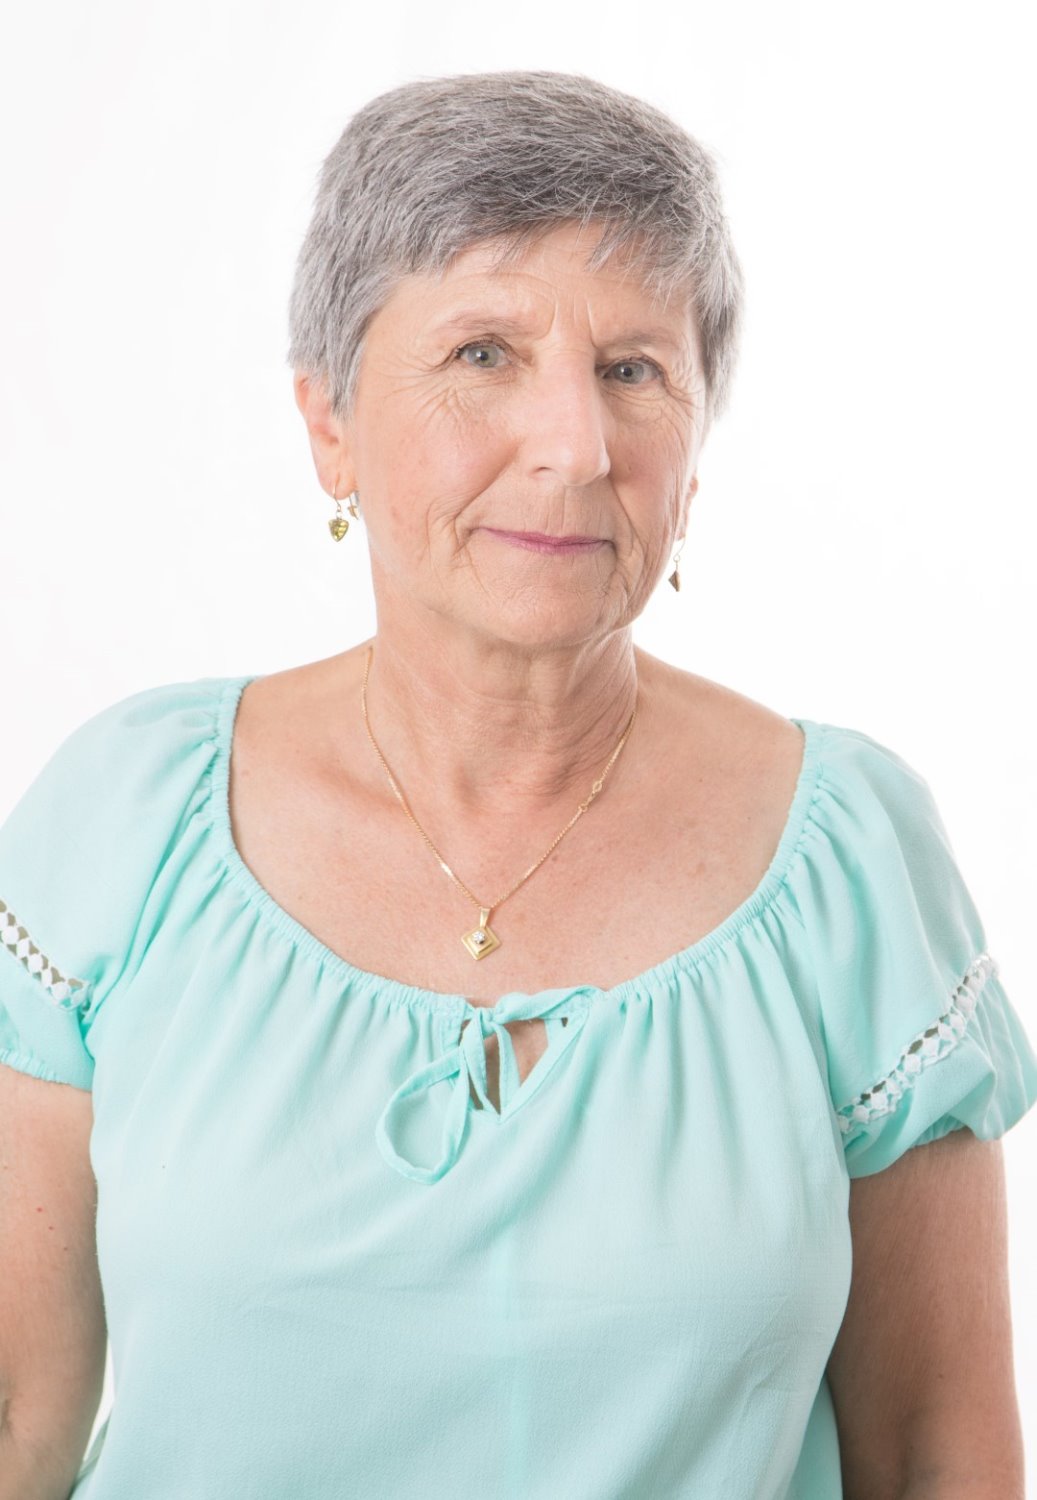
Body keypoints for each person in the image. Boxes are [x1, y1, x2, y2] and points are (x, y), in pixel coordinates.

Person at [1, 69, 1034, 1500]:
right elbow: (15, 1419)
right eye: (483, 353)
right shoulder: (127, 818)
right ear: (329, 421)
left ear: (694, 447)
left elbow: (937, 1458)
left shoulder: (851, 854)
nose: (575, 445)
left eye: (633, 370)